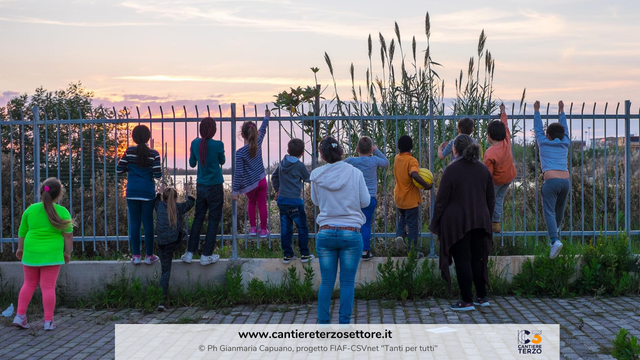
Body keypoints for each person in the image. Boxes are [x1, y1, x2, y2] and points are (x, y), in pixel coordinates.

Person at [430, 135, 495, 311]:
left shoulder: (452, 170)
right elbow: (491, 199)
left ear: (455, 150)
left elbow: (441, 200)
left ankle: (466, 300)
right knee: (478, 258)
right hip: (480, 219)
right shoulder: (483, 170)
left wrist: (435, 223)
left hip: (458, 222)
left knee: (463, 259)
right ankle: (481, 296)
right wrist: (487, 218)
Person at [311, 136, 370, 324]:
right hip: (351, 232)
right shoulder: (355, 173)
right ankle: (344, 324)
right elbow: (365, 202)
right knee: (347, 283)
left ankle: (323, 325)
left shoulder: (317, 175)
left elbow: (315, 201)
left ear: (322, 155)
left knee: (326, 282)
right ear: (342, 152)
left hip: (326, 231)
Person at [13, 178, 74, 331]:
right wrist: (67, 253)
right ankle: (48, 321)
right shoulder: (62, 212)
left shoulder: (31, 210)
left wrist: (20, 249)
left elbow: (22, 232)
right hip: (52, 254)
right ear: (59, 195)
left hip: (31, 252)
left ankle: (20, 316)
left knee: (28, 284)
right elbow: (68, 236)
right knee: (48, 288)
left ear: (41, 192)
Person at [182, 117, 225, 266]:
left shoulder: (195, 143)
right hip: (215, 187)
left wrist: (192, 151)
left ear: (201, 129)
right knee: (213, 220)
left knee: (198, 219)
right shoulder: (218, 144)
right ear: (213, 130)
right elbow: (223, 161)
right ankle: (206, 255)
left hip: (201, 187)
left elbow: (192, 163)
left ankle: (189, 253)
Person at [117, 125, 162, 265]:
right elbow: (158, 175)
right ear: (148, 137)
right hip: (148, 192)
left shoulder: (129, 152)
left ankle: (136, 256)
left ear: (134, 137)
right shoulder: (154, 154)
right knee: (148, 223)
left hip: (132, 191)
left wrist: (130, 168)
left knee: (134, 224)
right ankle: (149, 256)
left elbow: (119, 169)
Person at [534, 100, 570, 259]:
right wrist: (561, 112)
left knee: (548, 211)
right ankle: (556, 237)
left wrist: (537, 111)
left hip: (551, 182)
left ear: (548, 135)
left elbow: (537, 129)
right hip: (565, 182)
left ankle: (554, 241)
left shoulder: (543, 142)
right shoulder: (565, 143)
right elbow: (566, 129)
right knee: (559, 211)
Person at [344, 136, 389, 260]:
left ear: (357, 149)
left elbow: (338, 165)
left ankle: (352, 250)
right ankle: (365, 251)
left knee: (353, 223)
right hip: (370, 198)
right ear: (370, 150)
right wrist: (376, 150)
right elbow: (386, 162)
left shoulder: (352, 161)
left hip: (355, 198)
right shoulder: (374, 160)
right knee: (366, 224)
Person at [272, 138, 313, 264]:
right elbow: (308, 178)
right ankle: (304, 254)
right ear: (302, 153)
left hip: (282, 200)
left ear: (288, 150)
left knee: (285, 227)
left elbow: (274, 176)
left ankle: (287, 254)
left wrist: (277, 190)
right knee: (302, 227)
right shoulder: (299, 166)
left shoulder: (282, 163)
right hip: (295, 201)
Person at [155, 184, 195, 310]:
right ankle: (186, 253)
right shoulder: (179, 207)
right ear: (176, 198)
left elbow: (156, 200)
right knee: (182, 232)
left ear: (164, 198)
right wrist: (188, 191)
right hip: (175, 242)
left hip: (162, 244)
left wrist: (159, 192)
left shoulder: (159, 206)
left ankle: (161, 301)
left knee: (165, 271)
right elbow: (191, 203)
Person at [233, 109, 270, 237]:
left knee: (251, 204)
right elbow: (263, 129)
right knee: (262, 205)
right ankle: (264, 230)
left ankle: (253, 228)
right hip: (262, 180)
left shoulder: (240, 152)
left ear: (242, 135)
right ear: (255, 134)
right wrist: (266, 117)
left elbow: (238, 173)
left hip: (250, 185)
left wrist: (235, 190)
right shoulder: (258, 143)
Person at [393, 135, 431, 257]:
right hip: (410, 199)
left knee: (402, 218)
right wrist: (426, 185)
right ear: (412, 147)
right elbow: (414, 174)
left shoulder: (396, 158)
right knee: (413, 225)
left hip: (399, 197)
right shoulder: (412, 161)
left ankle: (399, 235)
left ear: (399, 147)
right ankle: (412, 252)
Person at [484, 104, 517, 233]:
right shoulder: (506, 140)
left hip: (496, 181)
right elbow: (505, 124)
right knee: (499, 198)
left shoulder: (490, 153)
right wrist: (503, 112)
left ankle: (488, 222)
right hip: (509, 177)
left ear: (489, 136)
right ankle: (496, 223)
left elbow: (488, 174)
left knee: (490, 199)